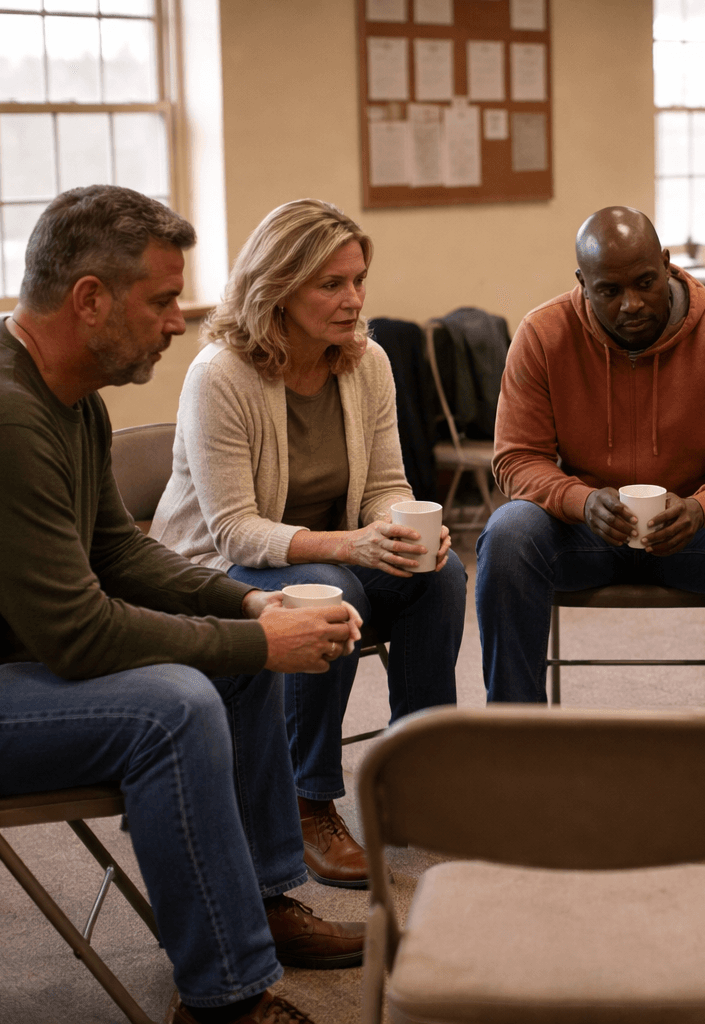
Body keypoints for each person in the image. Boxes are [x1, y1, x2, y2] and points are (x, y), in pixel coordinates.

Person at [0, 185, 366, 1024]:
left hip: (2, 658)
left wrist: (247, 613)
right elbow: (77, 635)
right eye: (161, 299)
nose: (179, 319)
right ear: (89, 300)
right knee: (172, 705)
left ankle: (258, 903)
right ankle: (226, 998)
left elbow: (117, 550)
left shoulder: (58, 390)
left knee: (224, 660)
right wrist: (261, 646)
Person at [152, 199, 466, 889]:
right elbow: (236, 528)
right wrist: (353, 546)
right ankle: (307, 801)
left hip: (334, 551)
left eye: (358, 280)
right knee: (336, 587)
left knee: (439, 575)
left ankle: (415, 778)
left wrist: (406, 527)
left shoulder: (367, 362)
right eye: (332, 284)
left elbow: (385, 482)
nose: (353, 299)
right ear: (278, 288)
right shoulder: (220, 374)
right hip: (222, 570)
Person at [474, 206, 705, 734]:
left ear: (667, 264)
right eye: (609, 291)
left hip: (693, 532)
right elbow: (515, 459)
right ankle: (518, 738)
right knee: (508, 532)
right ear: (583, 285)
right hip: (585, 533)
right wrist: (579, 500)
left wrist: (701, 507)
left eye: (646, 282)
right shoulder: (543, 334)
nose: (632, 304)